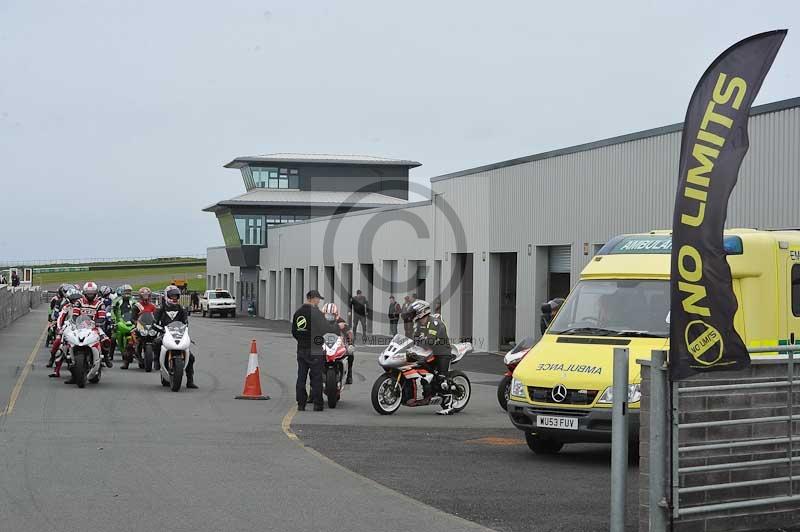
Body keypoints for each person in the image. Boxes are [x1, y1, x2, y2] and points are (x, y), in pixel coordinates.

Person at [292, 290, 341, 411]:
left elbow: (294, 332)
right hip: (315, 349)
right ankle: (318, 404)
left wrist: (302, 340)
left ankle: (301, 404)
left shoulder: (298, 313)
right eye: (318, 299)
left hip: (301, 349)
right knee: (316, 378)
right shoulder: (316, 313)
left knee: (301, 377)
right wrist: (337, 327)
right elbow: (326, 329)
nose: (319, 301)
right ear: (312, 298)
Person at [409, 299, 455, 415]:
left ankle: (449, 405)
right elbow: (414, 339)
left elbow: (430, 341)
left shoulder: (434, 323)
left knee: (441, 378)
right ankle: (426, 394)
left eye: (415, 312)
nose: (413, 315)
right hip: (428, 352)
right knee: (419, 370)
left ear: (422, 312)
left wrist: (421, 341)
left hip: (442, 352)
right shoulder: (419, 324)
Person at [153, 285, 197, 388]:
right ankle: (157, 361)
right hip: (165, 333)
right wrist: (162, 329)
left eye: (176, 296)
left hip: (178, 334)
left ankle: (190, 381)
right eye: (172, 296)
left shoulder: (181, 308)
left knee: (191, 357)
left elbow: (185, 323)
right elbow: (154, 323)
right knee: (156, 343)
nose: (174, 298)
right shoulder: (160, 308)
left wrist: (184, 329)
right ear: (166, 296)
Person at [72, 281, 113, 368]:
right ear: (84, 293)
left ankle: (105, 357)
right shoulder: (79, 302)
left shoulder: (100, 303)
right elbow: (75, 315)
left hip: (94, 326)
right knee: (68, 339)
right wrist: (78, 322)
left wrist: (95, 323)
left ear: (95, 293)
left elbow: (102, 317)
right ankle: (69, 357)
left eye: (92, 293)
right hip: (80, 326)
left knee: (105, 340)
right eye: (88, 293)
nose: (90, 295)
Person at [48, 288, 83, 374]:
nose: (75, 301)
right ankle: (54, 363)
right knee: (58, 342)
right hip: (68, 327)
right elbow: (60, 317)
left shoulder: (83, 306)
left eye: (77, 299)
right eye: (74, 299)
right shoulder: (66, 307)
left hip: (81, 328)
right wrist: (59, 328)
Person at [322, 302, 355, 384]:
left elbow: (349, 333)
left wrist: (350, 343)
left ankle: (349, 373)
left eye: (331, 315)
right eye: (327, 315)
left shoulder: (341, 321)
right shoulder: (319, 321)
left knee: (350, 353)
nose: (329, 317)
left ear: (336, 315)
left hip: (338, 343)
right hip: (324, 343)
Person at [129, 287, 159, 370]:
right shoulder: (136, 306)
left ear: (150, 296)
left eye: (147, 295)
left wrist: (157, 323)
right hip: (140, 326)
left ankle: (157, 361)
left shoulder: (153, 306)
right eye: (144, 295)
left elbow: (157, 317)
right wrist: (136, 323)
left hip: (151, 327)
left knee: (159, 340)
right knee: (130, 341)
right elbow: (132, 318)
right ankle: (127, 361)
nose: (146, 297)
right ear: (140, 296)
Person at [112, 285, 135, 357]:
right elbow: (112, 310)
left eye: (129, 291)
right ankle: (110, 355)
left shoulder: (134, 301)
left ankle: (138, 351)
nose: (127, 293)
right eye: (126, 291)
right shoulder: (117, 300)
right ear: (122, 292)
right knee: (113, 337)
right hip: (119, 321)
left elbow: (139, 310)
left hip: (131, 321)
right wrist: (113, 319)